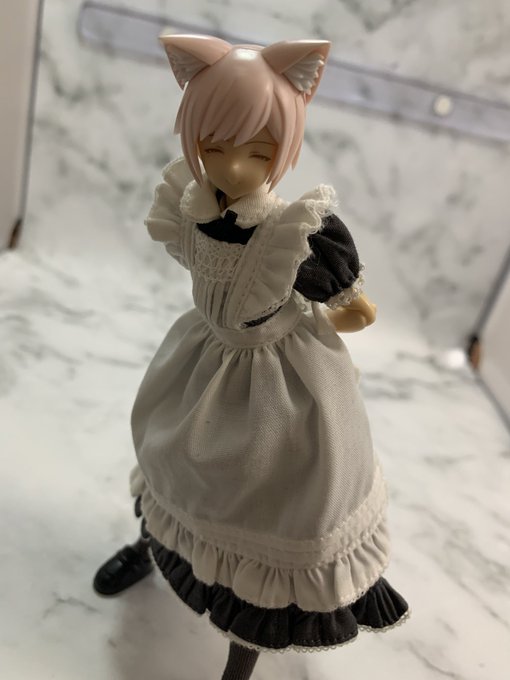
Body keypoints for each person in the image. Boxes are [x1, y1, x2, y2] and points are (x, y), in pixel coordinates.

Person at [93, 34, 409, 679]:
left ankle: (241, 660)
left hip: (278, 388)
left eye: (258, 151)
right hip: (202, 362)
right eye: (213, 147)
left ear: (283, 149)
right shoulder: (188, 204)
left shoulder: (297, 233)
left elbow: (359, 310)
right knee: (169, 461)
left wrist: (325, 323)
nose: (233, 167)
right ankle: (148, 547)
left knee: (270, 510)